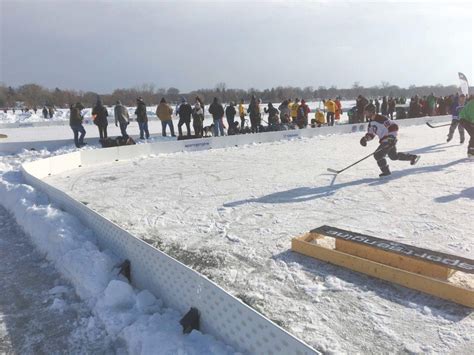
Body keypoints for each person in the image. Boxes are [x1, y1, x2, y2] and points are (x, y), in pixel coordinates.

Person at [360, 104, 420, 177]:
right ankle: (412, 157)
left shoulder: (381, 119)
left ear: (371, 111)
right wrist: (365, 139)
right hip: (385, 141)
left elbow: (394, 126)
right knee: (393, 156)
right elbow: (371, 134)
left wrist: (391, 138)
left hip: (389, 140)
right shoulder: (371, 123)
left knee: (377, 155)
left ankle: (386, 172)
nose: (365, 114)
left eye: (366, 112)